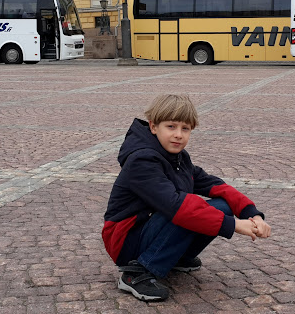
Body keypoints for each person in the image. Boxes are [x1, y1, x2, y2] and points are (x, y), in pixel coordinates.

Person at [102, 94, 271, 302]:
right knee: (186, 209)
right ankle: (136, 273)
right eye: (171, 127)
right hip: (125, 239)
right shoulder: (142, 160)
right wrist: (235, 225)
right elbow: (175, 205)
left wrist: (252, 213)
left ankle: (176, 258)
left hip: (149, 225)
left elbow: (214, 184)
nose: (178, 135)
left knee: (222, 205)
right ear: (154, 127)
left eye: (185, 128)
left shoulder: (179, 157)